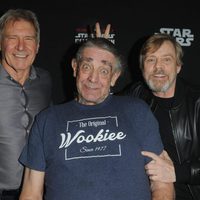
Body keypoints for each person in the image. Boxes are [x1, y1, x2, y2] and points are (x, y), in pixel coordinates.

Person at [19, 38, 174, 200]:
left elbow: (162, 185)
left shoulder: (137, 112)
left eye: (104, 71)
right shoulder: (47, 120)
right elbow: (31, 193)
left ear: (115, 77)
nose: (93, 78)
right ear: (75, 67)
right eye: (87, 67)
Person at [122, 33, 200, 200]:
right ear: (142, 67)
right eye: (151, 60)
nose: (158, 67)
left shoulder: (197, 103)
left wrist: (175, 172)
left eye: (166, 60)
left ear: (178, 66)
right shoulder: (135, 94)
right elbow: (102, 103)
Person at [0, 9, 52, 199]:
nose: (21, 47)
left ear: (37, 46)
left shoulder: (45, 80)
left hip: (40, 190)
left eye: (29, 39)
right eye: (12, 38)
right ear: (0, 43)